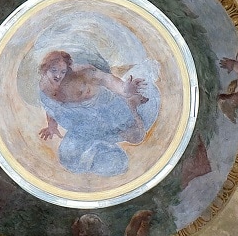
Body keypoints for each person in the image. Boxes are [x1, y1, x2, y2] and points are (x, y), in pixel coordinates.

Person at [36, 49, 155, 177]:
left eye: (63, 71)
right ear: (45, 69)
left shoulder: (83, 73)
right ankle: (99, 148)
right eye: (53, 70)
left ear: (68, 68)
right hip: (83, 127)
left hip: (110, 113)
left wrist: (125, 89)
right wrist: (52, 126)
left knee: (135, 138)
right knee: (68, 158)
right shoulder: (44, 89)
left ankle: (131, 105)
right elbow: (52, 110)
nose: (58, 76)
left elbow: (107, 80)